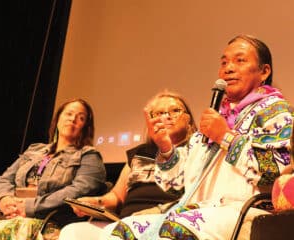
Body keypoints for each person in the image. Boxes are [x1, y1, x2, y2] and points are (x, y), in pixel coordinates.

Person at [64, 34, 293, 240]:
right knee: (121, 231)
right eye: (224, 62)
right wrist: (166, 150)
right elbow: (177, 186)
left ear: (264, 71)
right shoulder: (214, 117)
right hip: (198, 211)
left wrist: (225, 137)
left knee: (176, 229)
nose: (228, 68)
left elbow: (274, 172)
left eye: (240, 60)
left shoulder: (275, 111)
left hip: (243, 211)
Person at [58, 90, 197, 239]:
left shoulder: (198, 150)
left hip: (166, 222)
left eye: (175, 110)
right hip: (124, 222)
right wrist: (95, 202)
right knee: (73, 232)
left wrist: (157, 211)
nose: (167, 116)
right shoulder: (139, 153)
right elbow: (117, 197)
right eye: (159, 113)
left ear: (188, 119)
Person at [0, 98, 107, 239]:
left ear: (85, 127)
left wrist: (30, 206)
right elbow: (3, 180)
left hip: (50, 221)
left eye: (81, 118)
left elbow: (78, 191)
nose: (73, 119)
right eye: (69, 114)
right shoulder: (34, 150)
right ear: (58, 118)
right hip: (11, 214)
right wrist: (4, 200)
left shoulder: (89, 156)